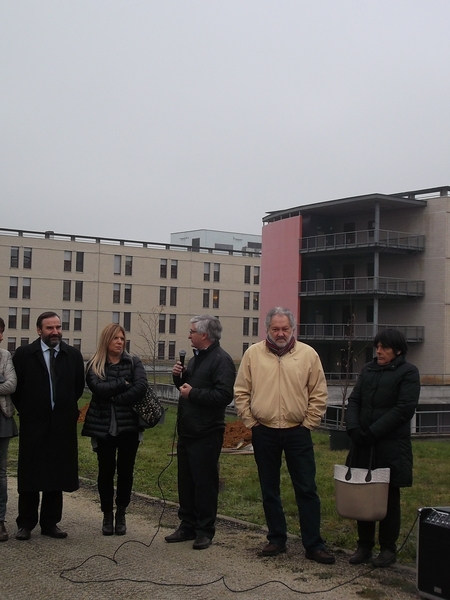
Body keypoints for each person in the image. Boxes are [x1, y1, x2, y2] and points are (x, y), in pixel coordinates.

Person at [234, 307, 335, 564]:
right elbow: (242, 391)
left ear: (293, 329)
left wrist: (308, 423)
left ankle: (313, 544)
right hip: (264, 431)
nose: (280, 333)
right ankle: (276, 539)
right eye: (275, 329)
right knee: (269, 488)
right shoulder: (253, 354)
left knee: (306, 489)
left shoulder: (308, 355)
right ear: (267, 329)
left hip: (297, 432)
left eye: (285, 329)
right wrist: (251, 423)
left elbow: (319, 392)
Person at [346, 328, 420, 567]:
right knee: (363, 494)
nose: (379, 351)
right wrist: (354, 428)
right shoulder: (368, 370)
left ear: (397, 350)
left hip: (390, 446)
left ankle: (388, 548)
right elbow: (354, 400)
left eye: (384, 347)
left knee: (388, 498)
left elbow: (403, 409)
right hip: (363, 444)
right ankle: (364, 546)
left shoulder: (408, 373)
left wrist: (373, 432)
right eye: (377, 346)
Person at [11, 311, 85, 540]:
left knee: (57, 471)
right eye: (49, 328)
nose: (55, 332)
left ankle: (50, 523)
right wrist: (29, 409)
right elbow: (17, 390)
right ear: (39, 330)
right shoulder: (24, 355)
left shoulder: (72, 355)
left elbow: (78, 388)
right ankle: (26, 523)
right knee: (31, 472)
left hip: (62, 423)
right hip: (34, 422)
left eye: (58, 327)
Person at [165, 315, 235, 550]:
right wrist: (179, 377)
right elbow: (188, 388)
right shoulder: (196, 359)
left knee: (205, 483)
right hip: (187, 430)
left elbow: (224, 396)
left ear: (204, 335)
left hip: (206, 432)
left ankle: (205, 530)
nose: (189, 335)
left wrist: (192, 393)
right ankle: (187, 525)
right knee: (186, 481)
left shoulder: (221, 360)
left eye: (192, 331)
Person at [82, 324, 148, 536]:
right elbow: (98, 389)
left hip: (129, 427)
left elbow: (140, 388)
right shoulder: (94, 364)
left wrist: (113, 397)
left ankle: (121, 512)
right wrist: (123, 383)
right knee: (105, 472)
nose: (120, 342)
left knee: (126, 471)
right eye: (115, 338)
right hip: (103, 427)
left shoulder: (133, 362)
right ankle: (107, 514)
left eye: (122, 338)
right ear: (106, 341)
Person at [0, 317, 18, 542]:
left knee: (1, 473)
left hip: (2, 419)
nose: (2, 337)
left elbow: (11, 384)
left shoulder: (5, 356)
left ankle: (0, 520)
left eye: (2, 332)